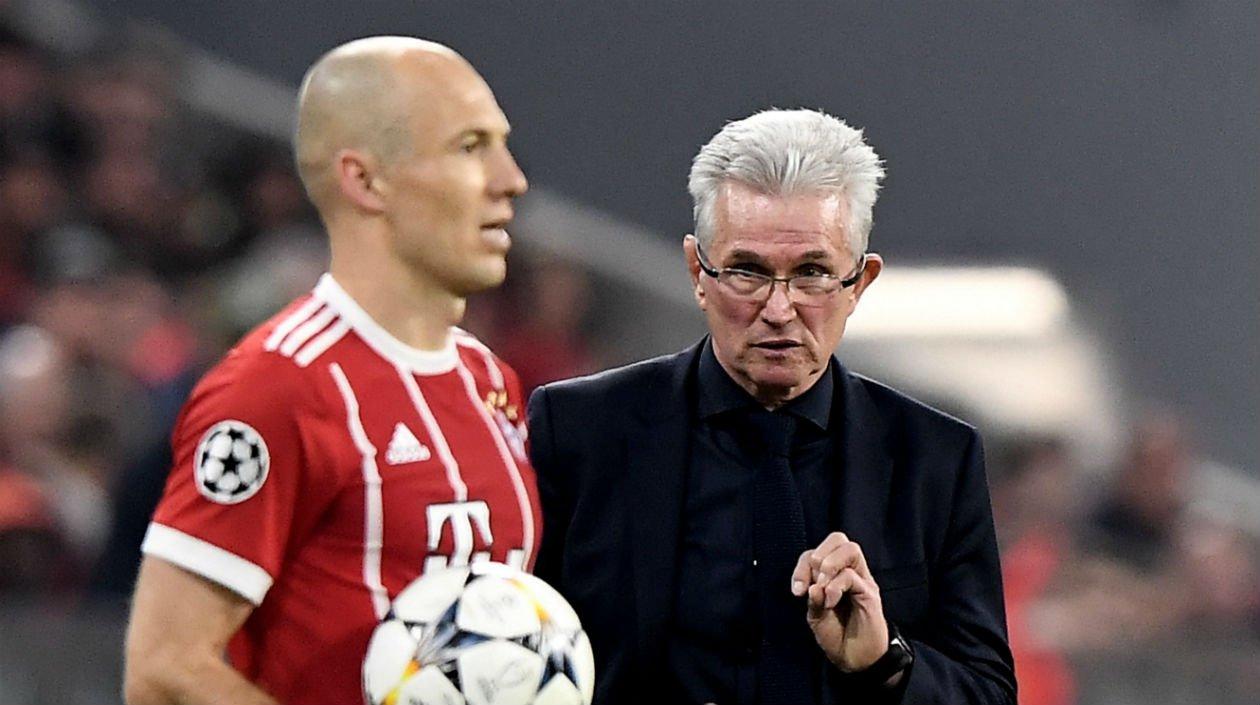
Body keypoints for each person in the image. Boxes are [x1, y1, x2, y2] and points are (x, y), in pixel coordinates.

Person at [529, 109, 1016, 705]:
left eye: (812, 273)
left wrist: (884, 658)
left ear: (860, 283)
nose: (779, 309)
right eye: (747, 271)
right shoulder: (576, 432)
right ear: (696, 273)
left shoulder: (936, 459)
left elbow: (988, 692)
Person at [123, 36, 535, 705]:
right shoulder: (278, 386)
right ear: (363, 180)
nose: (510, 177)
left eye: (502, 143)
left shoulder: (491, 381)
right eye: (470, 146)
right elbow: (164, 669)